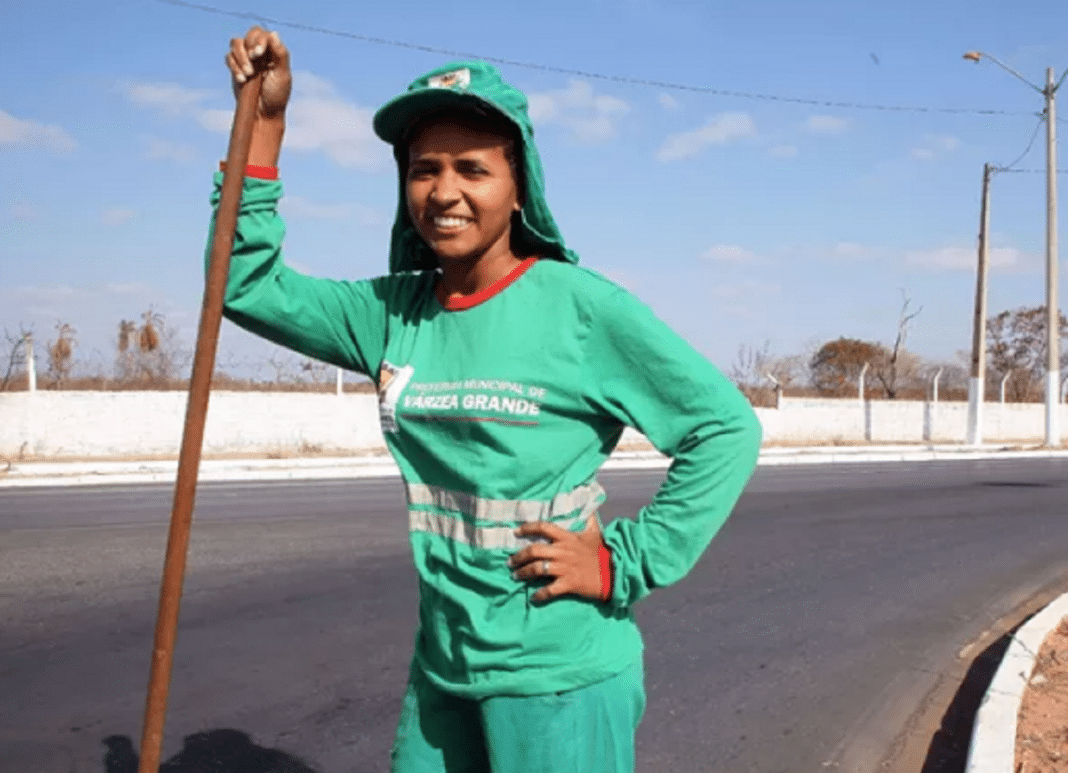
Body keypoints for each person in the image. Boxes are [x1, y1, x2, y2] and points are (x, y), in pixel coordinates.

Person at [215, 26, 762, 773]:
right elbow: (246, 286)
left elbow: (725, 428)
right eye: (424, 170)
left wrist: (621, 562)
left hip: (558, 677)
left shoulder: (580, 308)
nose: (444, 192)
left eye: (473, 168)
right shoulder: (392, 312)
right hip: (445, 667)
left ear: (519, 185)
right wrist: (266, 122)